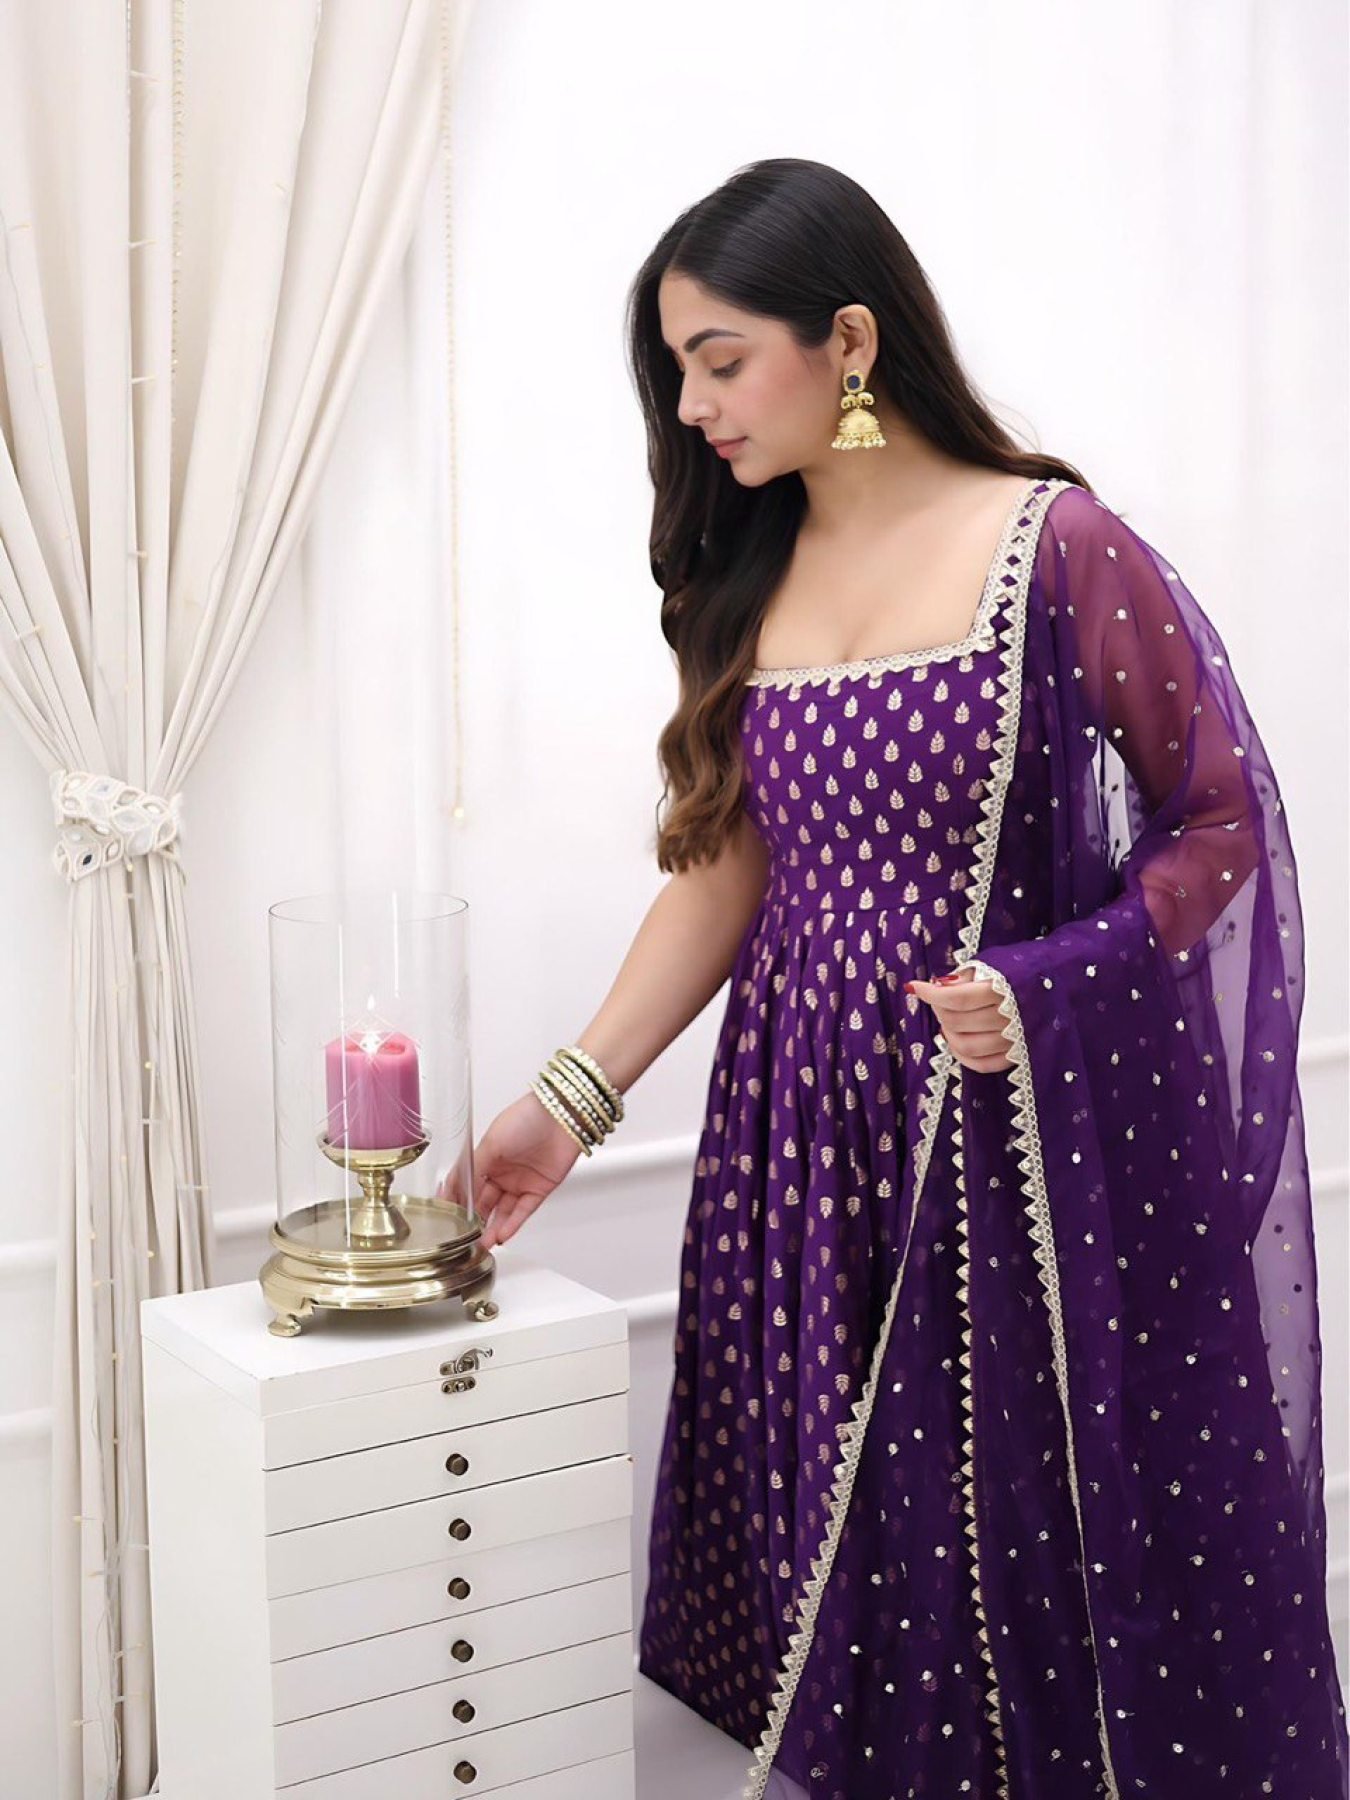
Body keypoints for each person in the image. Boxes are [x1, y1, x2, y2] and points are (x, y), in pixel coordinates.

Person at [467, 158, 1348, 1799]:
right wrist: (565, 1107)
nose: (692, 405)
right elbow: (727, 869)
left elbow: (1220, 817)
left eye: (721, 360)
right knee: (841, 1573)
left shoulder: (1057, 549)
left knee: (1012, 1587)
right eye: (675, 370)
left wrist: (1048, 984)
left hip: (1004, 1148)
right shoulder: (746, 573)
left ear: (851, 342)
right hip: (799, 1146)